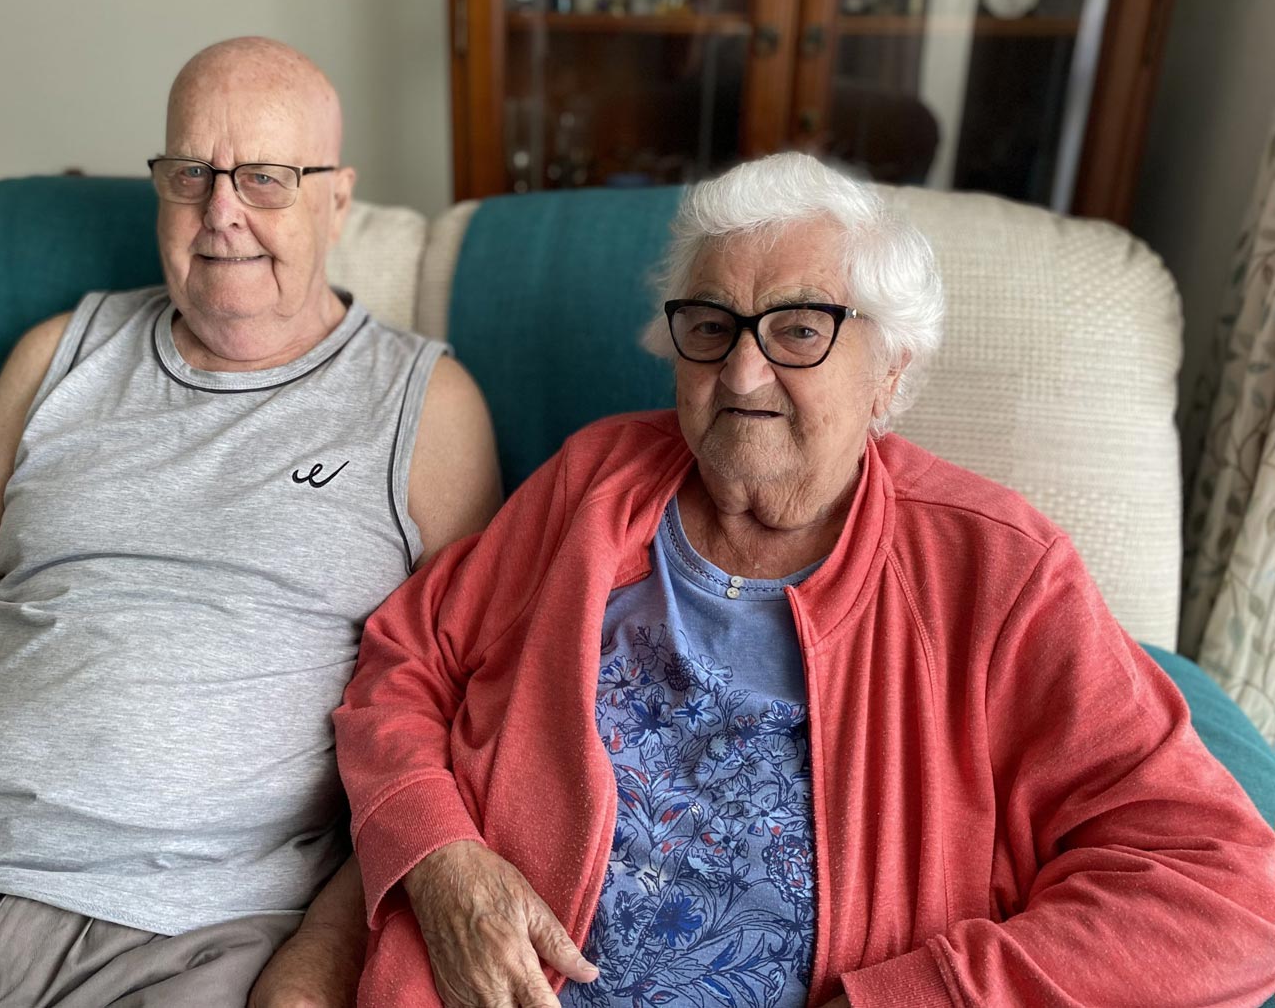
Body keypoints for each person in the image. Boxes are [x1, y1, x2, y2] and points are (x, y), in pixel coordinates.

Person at [332, 153, 1275, 1007]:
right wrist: (444, 859)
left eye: (798, 328)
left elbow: (1226, 892)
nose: (743, 369)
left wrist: (916, 999)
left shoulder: (998, 572)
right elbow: (404, 662)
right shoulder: (594, 485)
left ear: (891, 370)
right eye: (711, 325)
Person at [0, 37, 501, 1008]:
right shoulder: (55, 359)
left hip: (200, 939)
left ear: (337, 201)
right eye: (190, 174)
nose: (223, 212)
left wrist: (324, 958)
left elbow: (459, 718)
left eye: (269, 179)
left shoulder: (428, 407)